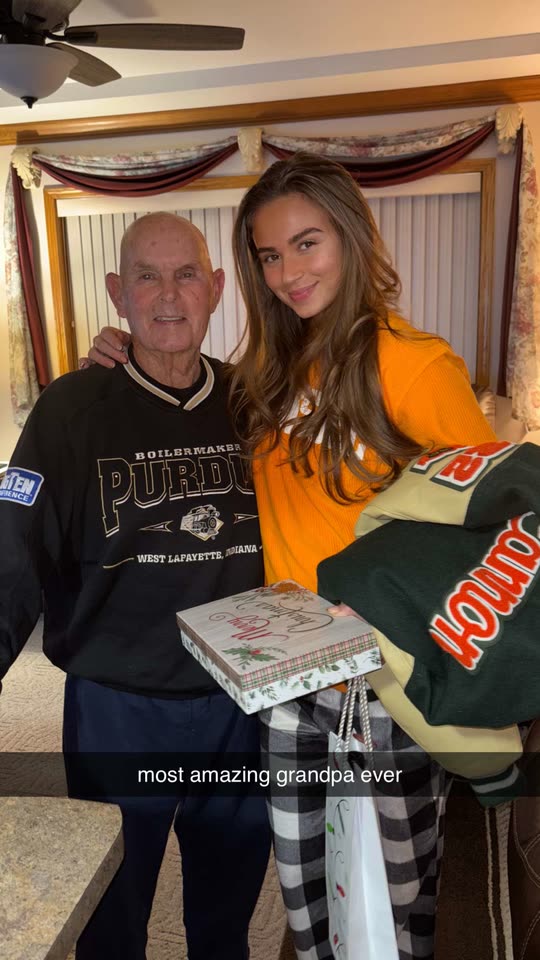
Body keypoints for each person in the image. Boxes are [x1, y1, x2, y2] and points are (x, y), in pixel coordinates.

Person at [87, 154, 496, 960]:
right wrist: (124, 352)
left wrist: (402, 615)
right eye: (269, 256)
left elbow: (494, 528)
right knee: (312, 897)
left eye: (307, 244)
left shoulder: (413, 363)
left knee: (390, 905)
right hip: (285, 683)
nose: (288, 273)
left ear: (351, 235)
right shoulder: (271, 373)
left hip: (381, 685)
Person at [0, 212, 271, 960]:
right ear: (118, 293)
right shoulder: (71, 408)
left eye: (187, 275)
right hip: (117, 706)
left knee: (228, 907)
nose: (169, 296)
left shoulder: (257, 404)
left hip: (239, 701)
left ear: (217, 288)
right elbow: (14, 553)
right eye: (147, 277)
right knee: (111, 912)